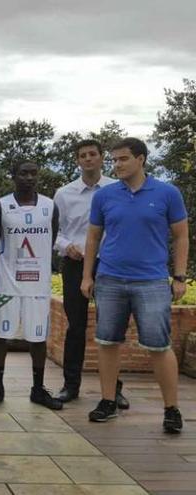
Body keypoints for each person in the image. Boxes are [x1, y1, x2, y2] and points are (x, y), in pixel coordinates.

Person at [81, 137, 189, 433]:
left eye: (123, 159)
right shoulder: (105, 196)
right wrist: (87, 276)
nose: (116, 165)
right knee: (107, 343)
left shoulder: (167, 193)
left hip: (152, 282)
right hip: (110, 279)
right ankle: (107, 401)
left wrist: (179, 276)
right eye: (114, 160)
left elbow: (181, 236)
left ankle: (171, 409)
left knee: (159, 345)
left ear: (141, 159)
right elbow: (92, 237)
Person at [53, 139, 127, 407]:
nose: (88, 159)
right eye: (82, 155)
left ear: (101, 157)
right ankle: (71, 385)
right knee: (76, 327)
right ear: (77, 160)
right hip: (75, 264)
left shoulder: (117, 188)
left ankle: (114, 390)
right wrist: (66, 246)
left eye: (92, 154)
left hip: (110, 263)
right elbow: (55, 232)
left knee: (112, 328)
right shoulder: (64, 193)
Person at [0, 162, 62, 410]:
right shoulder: (1, 206)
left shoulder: (50, 206)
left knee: (38, 338)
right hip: (6, 282)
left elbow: (51, 240)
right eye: (23, 173)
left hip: (37, 284)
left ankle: (38, 389)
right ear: (13, 176)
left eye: (33, 173)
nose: (29, 178)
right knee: (1, 336)